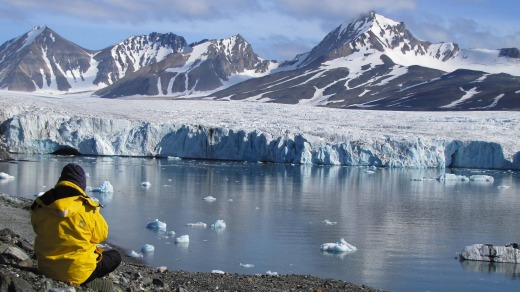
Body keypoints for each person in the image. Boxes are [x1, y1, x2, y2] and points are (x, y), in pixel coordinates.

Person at [31, 163, 121, 287]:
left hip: (46, 269)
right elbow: (101, 235)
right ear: (81, 184)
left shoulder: (42, 204)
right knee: (115, 256)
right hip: (78, 271)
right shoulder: (87, 207)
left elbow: (37, 228)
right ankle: (91, 282)